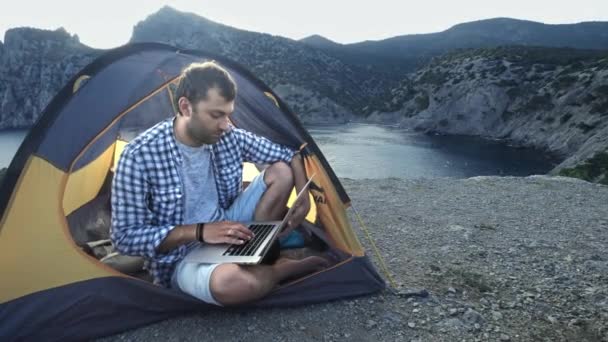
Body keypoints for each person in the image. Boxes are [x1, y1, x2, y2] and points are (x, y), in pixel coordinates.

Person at [111, 61, 327, 306]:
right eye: (216, 115)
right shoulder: (139, 155)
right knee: (231, 285)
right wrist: (200, 231)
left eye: (228, 114)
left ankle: (257, 248)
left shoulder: (227, 136)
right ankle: (281, 269)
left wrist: (304, 195)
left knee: (281, 172)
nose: (226, 125)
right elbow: (124, 237)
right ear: (185, 107)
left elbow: (289, 154)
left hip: (228, 221)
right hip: (181, 255)